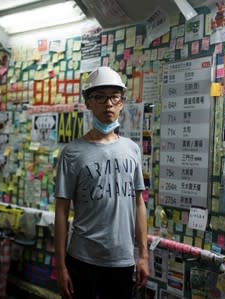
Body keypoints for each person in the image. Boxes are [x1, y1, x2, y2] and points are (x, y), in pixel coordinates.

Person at [54, 66, 149, 299]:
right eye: (100, 97)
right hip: (82, 258)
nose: (108, 103)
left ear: (122, 102)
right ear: (88, 103)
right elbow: (61, 210)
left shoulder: (132, 149)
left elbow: (139, 204)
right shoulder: (72, 153)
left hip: (123, 259)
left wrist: (143, 256)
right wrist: (61, 266)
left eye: (114, 96)